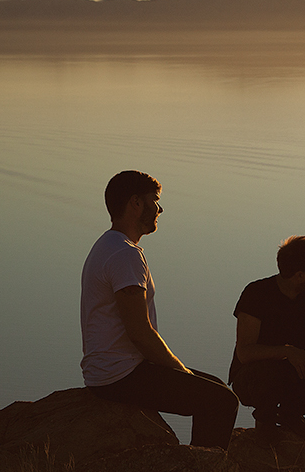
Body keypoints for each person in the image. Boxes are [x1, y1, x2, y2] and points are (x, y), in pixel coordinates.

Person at [82, 170, 238, 449]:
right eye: (155, 201)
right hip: (120, 377)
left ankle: (200, 460)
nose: (160, 209)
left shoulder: (109, 244)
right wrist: (179, 370)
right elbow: (140, 333)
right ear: (135, 203)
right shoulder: (125, 254)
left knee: (217, 387)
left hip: (111, 370)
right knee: (222, 402)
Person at [229, 235, 305, 443]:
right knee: (270, 373)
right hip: (253, 375)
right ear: (300, 275)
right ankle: (265, 420)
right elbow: (245, 352)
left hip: (295, 367)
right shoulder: (256, 293)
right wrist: (287, 351)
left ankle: (290, 414)